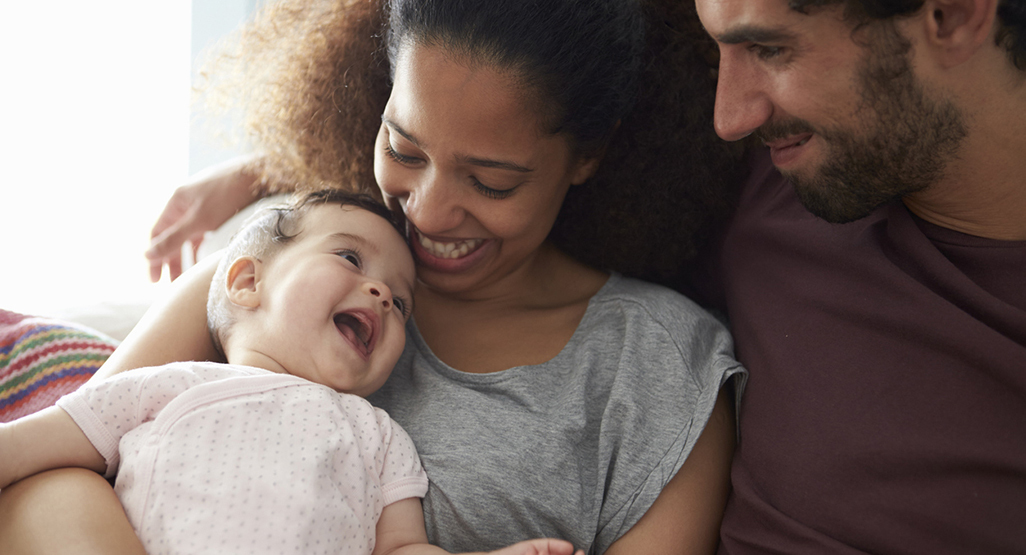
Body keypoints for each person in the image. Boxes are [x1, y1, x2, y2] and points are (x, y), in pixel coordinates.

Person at [0, 1, 747, 554]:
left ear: (588, 156)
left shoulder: (659, 372)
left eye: (491, 182)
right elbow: (53, 475)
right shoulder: (292, 260)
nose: (425, 211)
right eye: (404, 146)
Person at [690, 0, 1026, 553]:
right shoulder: (757, 184)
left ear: (954, 15)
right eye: (717, 50)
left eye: (770, 48)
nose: (729, 118)